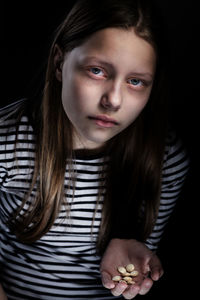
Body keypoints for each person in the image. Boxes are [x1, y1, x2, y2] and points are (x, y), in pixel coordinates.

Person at [0, 0, 189, 299]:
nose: (113, 100)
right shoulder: (7, 142)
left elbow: (139, 260)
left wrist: (132, 249)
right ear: (60, 63)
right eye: (97, 71)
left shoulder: (166, 160)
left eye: (136, 81)